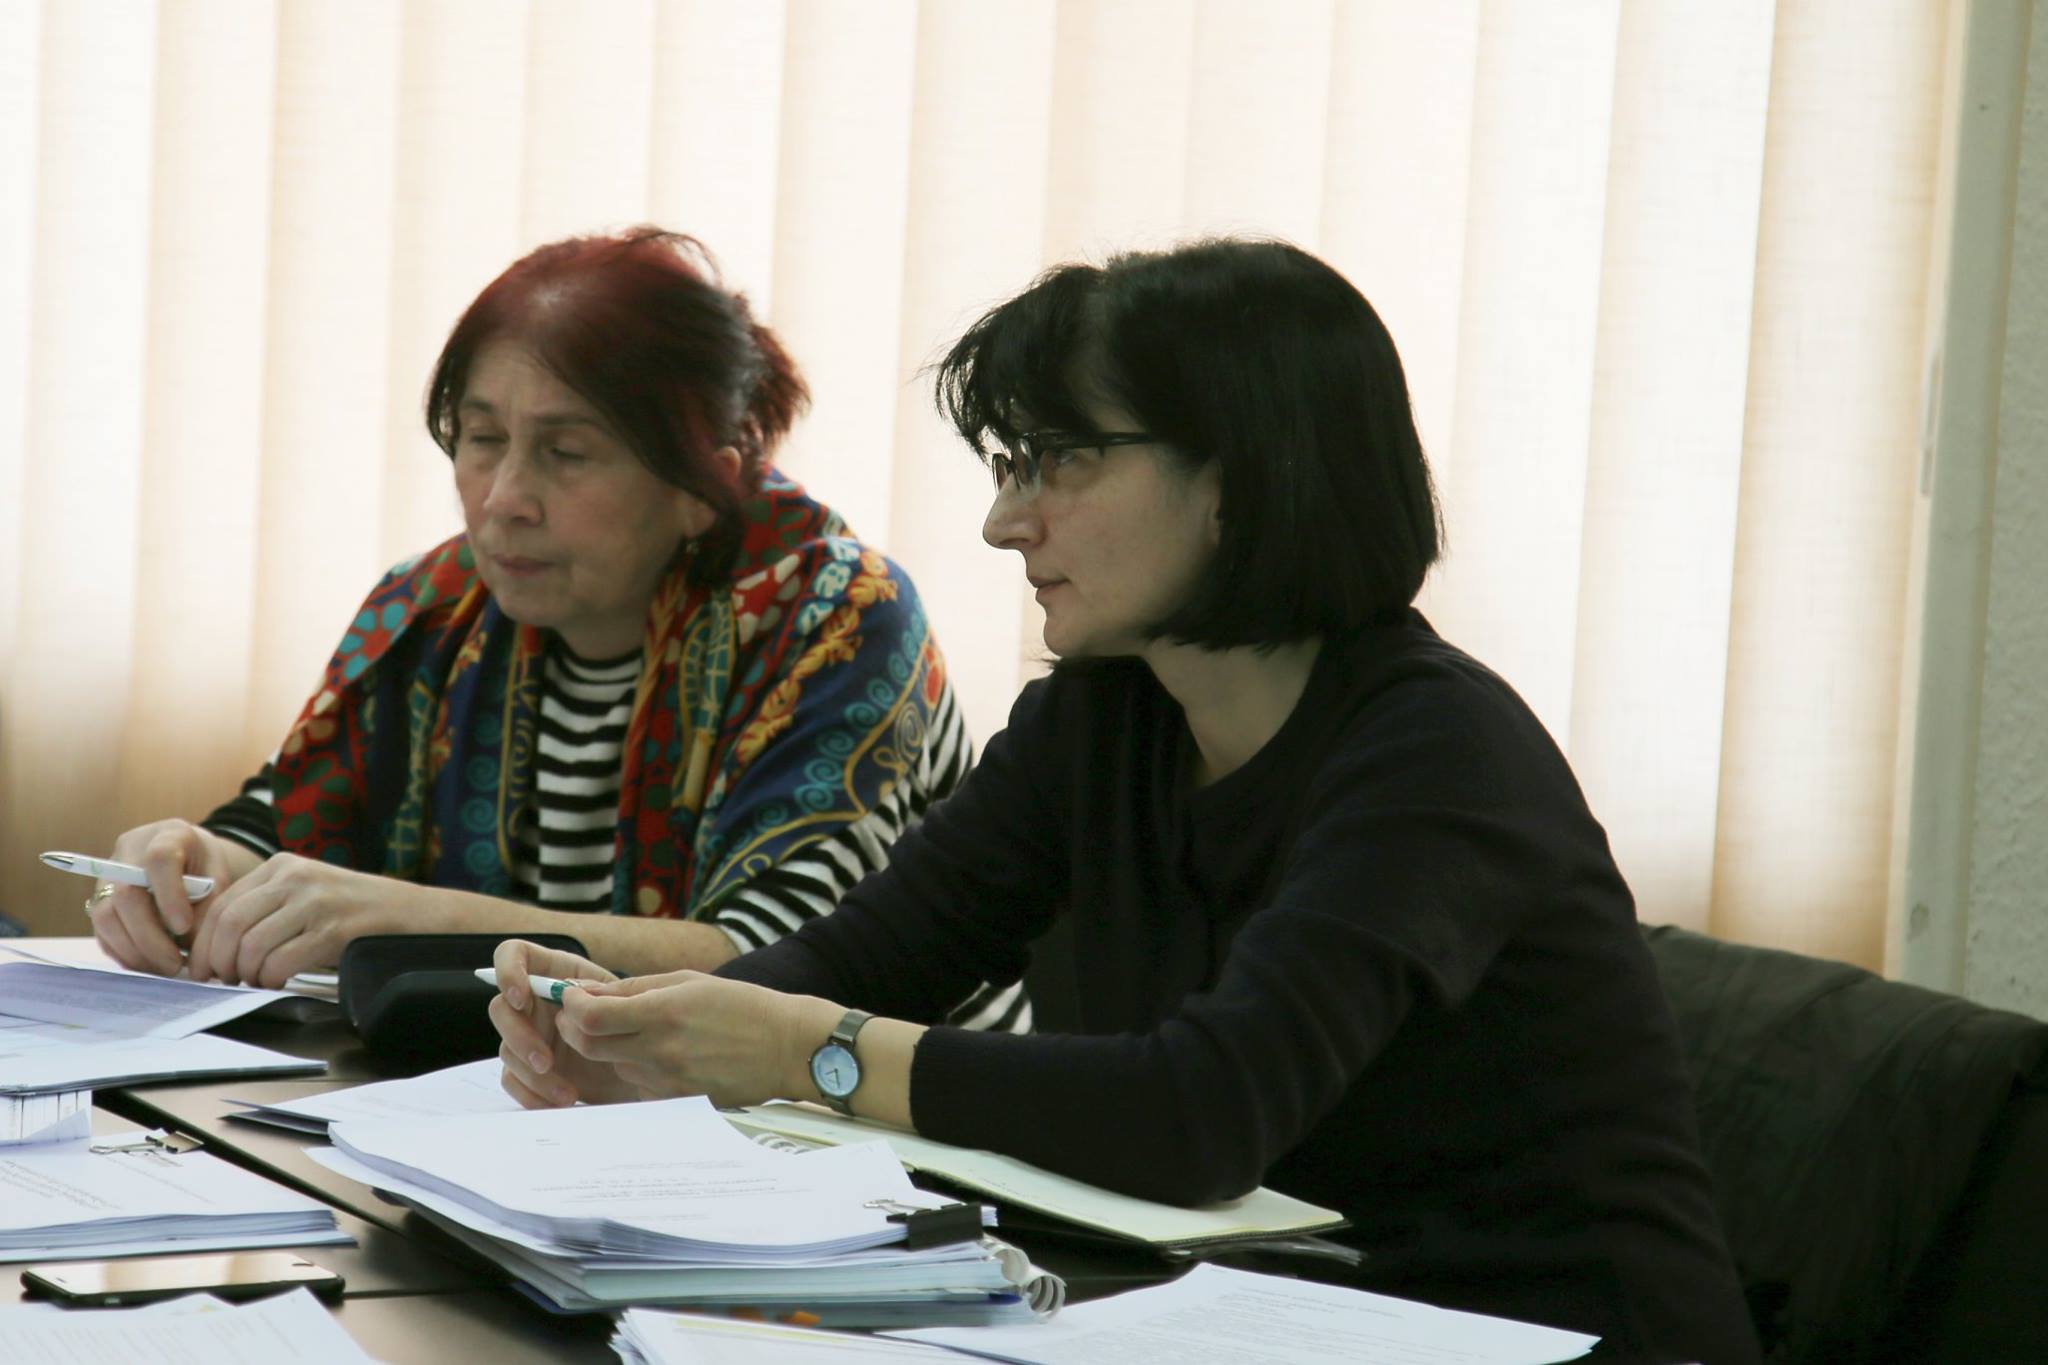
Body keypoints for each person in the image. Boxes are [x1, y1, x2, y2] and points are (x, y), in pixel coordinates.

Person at [484, 238, 1760, 1362]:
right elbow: (862, 959)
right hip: (1262, 1320)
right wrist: (636, 1035)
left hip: (1539, 1339)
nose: (1003, 522)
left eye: (1057, 461)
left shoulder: (1439, 753)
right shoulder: (1101, 719)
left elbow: (1198, 1114)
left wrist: (803, 1053)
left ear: (1241, 473)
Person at [89, 227, 1025, 1034]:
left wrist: (402, 918)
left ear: (701, 488)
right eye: (482, 437)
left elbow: (771, 957)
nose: (503, 499)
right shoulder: (434, 605)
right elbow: (289, 827)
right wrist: (196, 869)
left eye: (566, 452)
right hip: (537, 1105)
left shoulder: (836, 617)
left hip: (873, 1132)